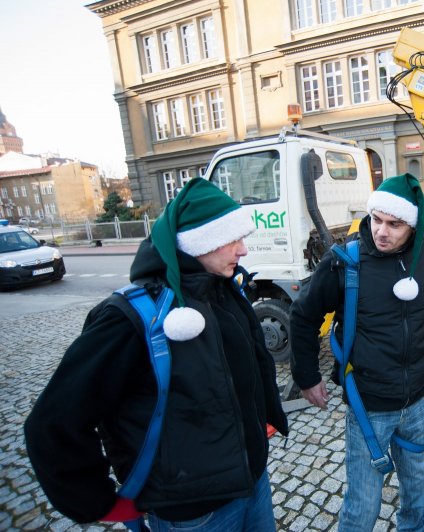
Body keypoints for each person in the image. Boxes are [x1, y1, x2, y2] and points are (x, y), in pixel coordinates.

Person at [24, 178, 289, 531]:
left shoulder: (226, 292)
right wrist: (99, 502)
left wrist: (259, 421)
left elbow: (252, 368)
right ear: (198, 242)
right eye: (232, 239)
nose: (243, 251)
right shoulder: (131, 317)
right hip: (193, 511)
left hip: (252, 482)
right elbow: (54, 421)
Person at [290, 173, 424, 531]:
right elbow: (302, 316)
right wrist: (307, 377)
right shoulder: (345, 261)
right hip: (368, 405)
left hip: (416, 401)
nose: (382, 232)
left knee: (417, 489)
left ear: (414, 227)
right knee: (363, 504)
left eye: (395, 224)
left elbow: (421, 314)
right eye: (377, 220)